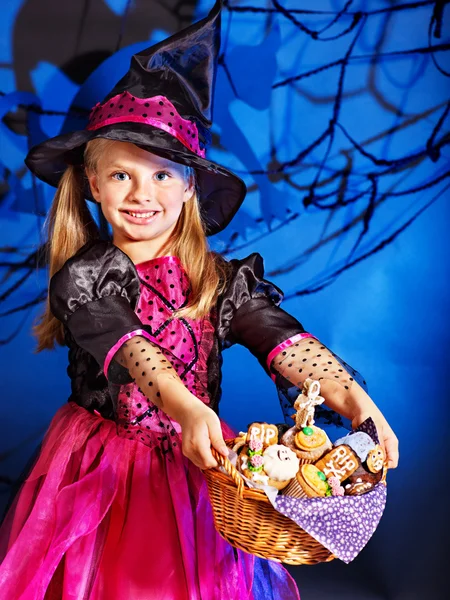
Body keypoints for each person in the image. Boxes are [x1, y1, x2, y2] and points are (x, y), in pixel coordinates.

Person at [0, 1, 398, 598]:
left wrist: (351, 396)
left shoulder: (219, 279)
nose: (142, 194)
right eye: (121, 176)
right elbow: (137, 353)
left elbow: (281, 339)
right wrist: (187, 409)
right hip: (108, 467)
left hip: (198, 462)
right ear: (91, 183)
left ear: (189, 186)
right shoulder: (88, 278)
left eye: (162, 175)